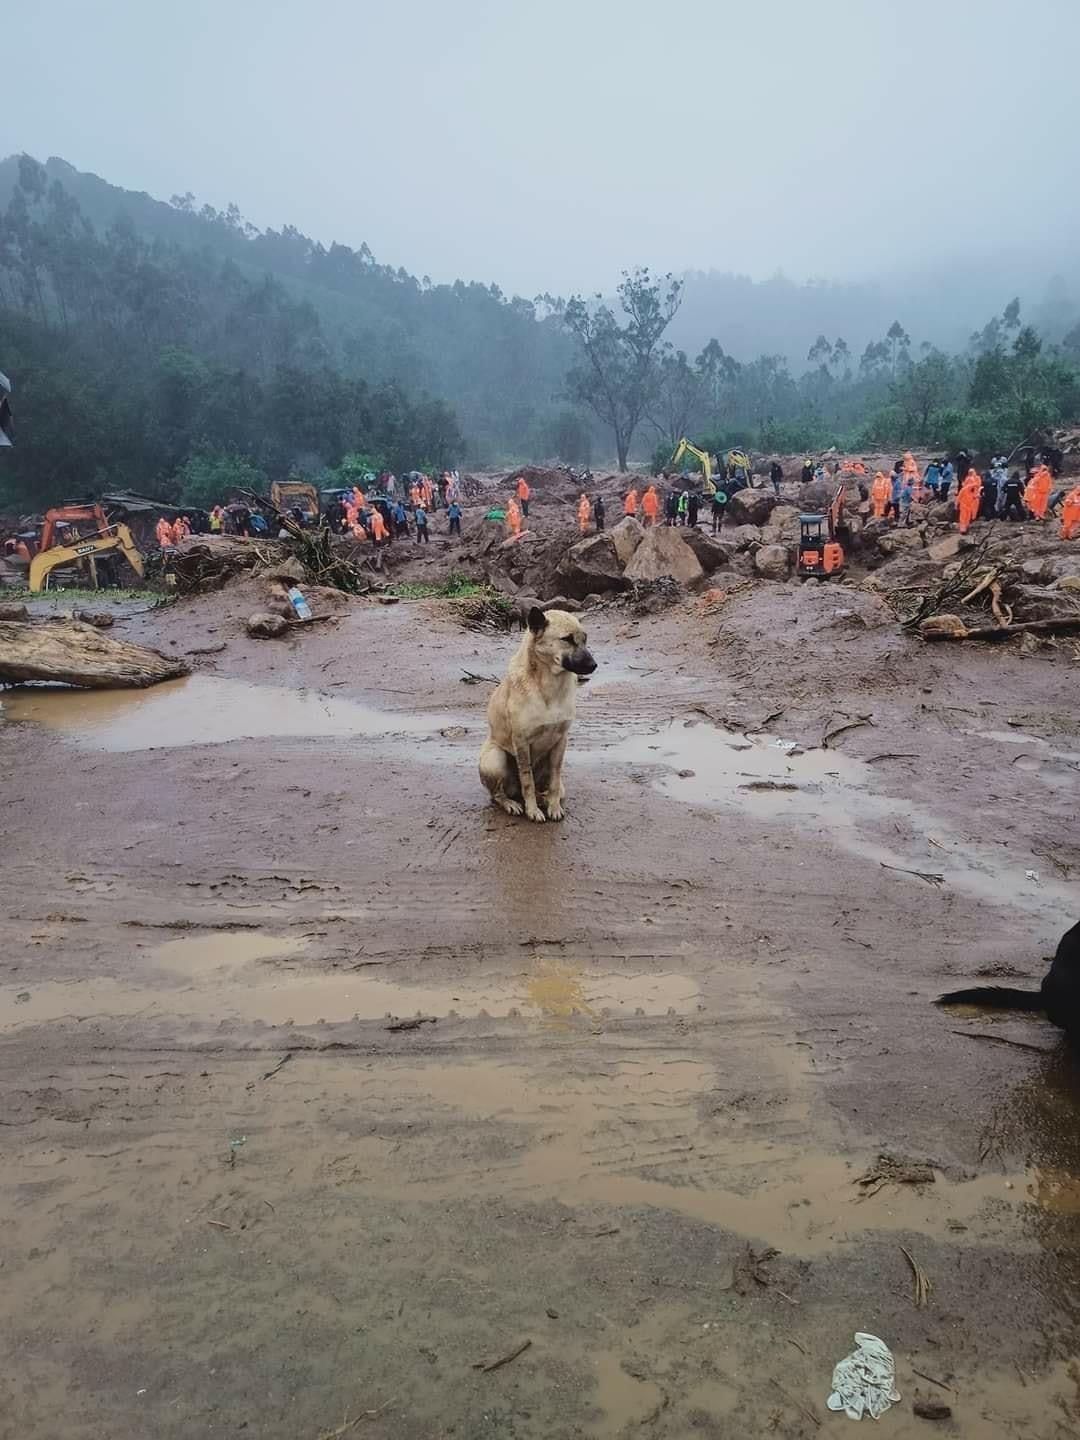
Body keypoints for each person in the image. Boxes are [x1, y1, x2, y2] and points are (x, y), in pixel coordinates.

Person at [957, 468, 983, 533]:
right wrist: (956, 503)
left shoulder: (977, 478)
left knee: (970, 514)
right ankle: (963, 528)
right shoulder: (965, 488)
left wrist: (977, 495)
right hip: (964, 504)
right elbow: (959, 496)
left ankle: (967, 525)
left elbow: (978, 486)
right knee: (963, 516)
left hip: (971, 501)